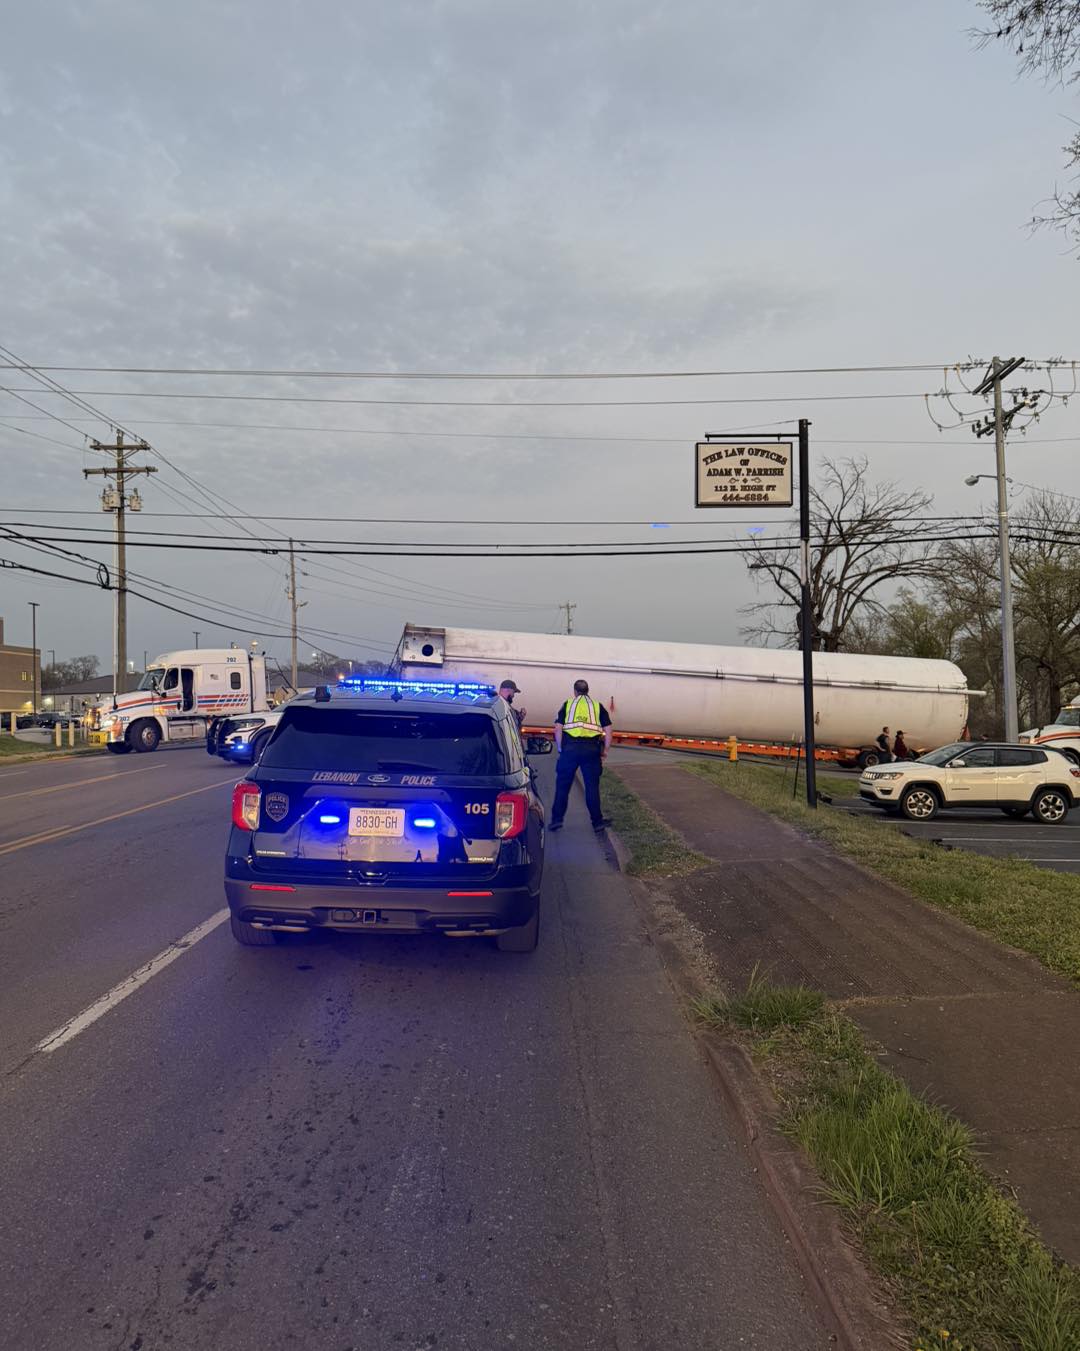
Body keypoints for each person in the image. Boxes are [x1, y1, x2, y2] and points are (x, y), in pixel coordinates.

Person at [550, 679, 613, 833]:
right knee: (592, 787)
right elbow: (609, 730)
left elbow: (558, 729)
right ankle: (597, 822)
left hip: (570, 749)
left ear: (575, 691)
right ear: (587, 690)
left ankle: (556, 820)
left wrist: (560, 748)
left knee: (562, 787)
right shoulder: (597, 706)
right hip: (591, 750)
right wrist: (605, 749)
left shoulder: (568, 704)